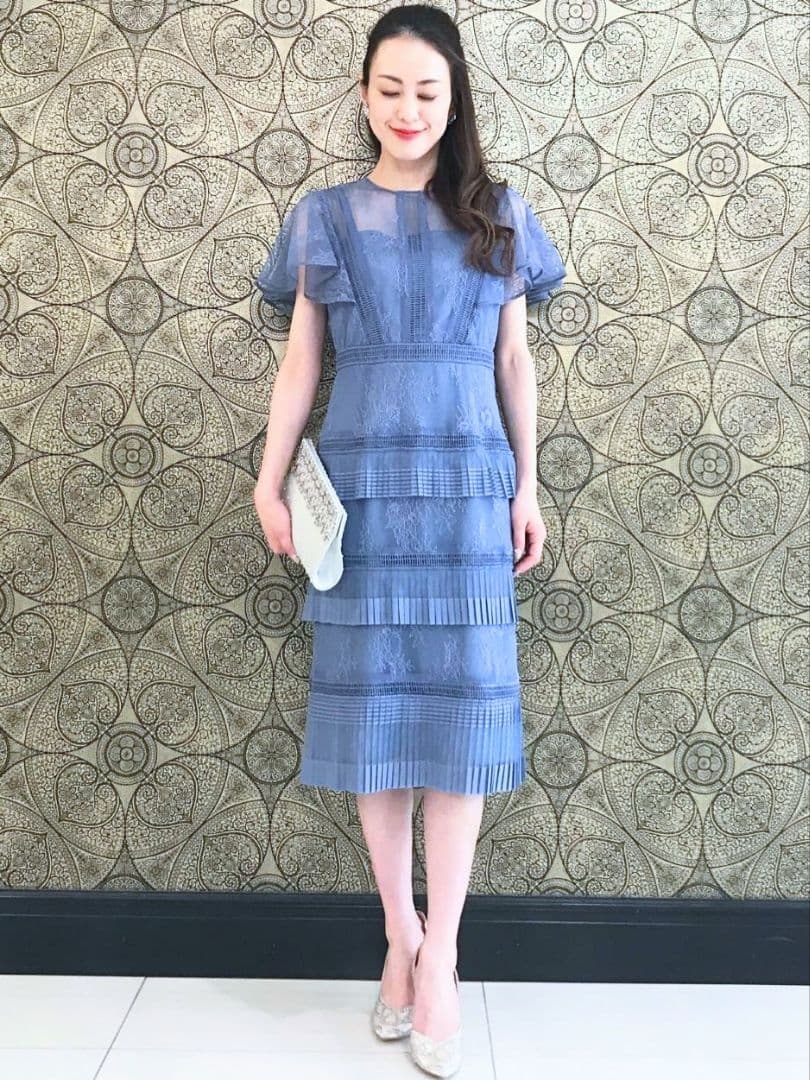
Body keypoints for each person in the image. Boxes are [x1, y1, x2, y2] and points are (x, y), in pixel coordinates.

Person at [252, 5, 566, 1075]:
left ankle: (445, 960)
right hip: (363, 495)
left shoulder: (499, 213)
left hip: (471, 489)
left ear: (454, 98)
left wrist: (529, 485)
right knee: (376, 721)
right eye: (389, 89)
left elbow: (515, 362)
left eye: (427, 91)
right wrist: (267, 480)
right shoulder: (325, 218)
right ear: (363, 93)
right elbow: (301, 364)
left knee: (461, 723)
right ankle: (400, 935)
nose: (408, 109)